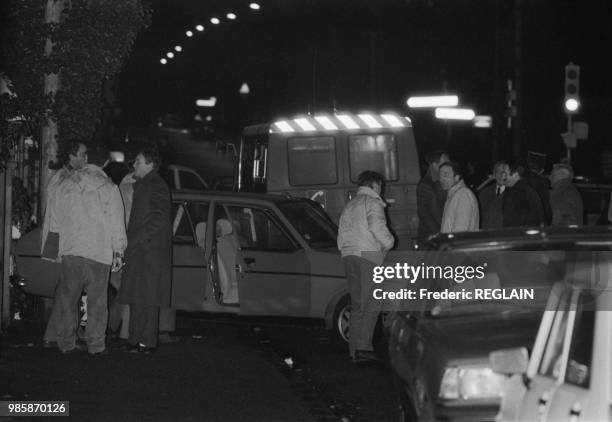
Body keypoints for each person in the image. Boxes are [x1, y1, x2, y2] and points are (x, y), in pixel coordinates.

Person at [43, 142, 127, 354]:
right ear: (106, 163)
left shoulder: (65, 185)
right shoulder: (109, 188)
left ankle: (66, 342)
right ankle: (96, 344)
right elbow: (117, 223)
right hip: (98, 252)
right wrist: (118, 251)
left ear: (88, 159)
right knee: (97, 302)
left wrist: (53, 250)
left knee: (67, 299)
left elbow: (54, 219)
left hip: (71, 249)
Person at [118, 145, 172, 354]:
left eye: (138, 161)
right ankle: (135, 339)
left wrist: (138, 239)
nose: (134, 165)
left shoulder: (155, 185)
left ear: (150, 164)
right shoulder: (145, 184)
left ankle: (145, 342)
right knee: (136, 297)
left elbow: (159, 218)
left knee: (148, 299)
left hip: (148, 253)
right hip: (142, 251)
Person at [337, 171, 394, 363]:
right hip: (367, 257)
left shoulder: (350, 204)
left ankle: (354, 350)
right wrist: (389, 242)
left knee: (357, 305)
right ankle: (364, 348)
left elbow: (341, 234)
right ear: (375, 185)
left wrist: (346, 251)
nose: (382, 189)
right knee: (373, 304)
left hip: (349, 256)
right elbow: (377, 227)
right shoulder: (372, 203)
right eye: (381, 185)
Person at [502, 159, 545, 227]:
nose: (503, 177)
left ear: (516, 174)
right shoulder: (527, 190)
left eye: (505, 173)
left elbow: (514, 222)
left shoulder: (518, 192)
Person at [416, 150, 449, 240]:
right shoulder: (426, 185)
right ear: (435, 165)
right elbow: (424, 213)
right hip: (432, 237)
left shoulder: (443, 182)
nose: (449, 166)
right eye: (445, 163)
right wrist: (439, 234)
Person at [439, 161, 479, 233]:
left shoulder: (463, 195)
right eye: (440, 175)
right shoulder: (454, 195)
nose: (441, 179)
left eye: (446, 175)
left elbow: (460, 231)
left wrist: (450, 243)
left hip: (459, 244)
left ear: (457, 177)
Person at [478, 161, 509, 229]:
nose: (502, 175)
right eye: (499, 172)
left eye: (505, 172)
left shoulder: (514, 194)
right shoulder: (484, 193)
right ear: (494, 174)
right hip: (487, 234)